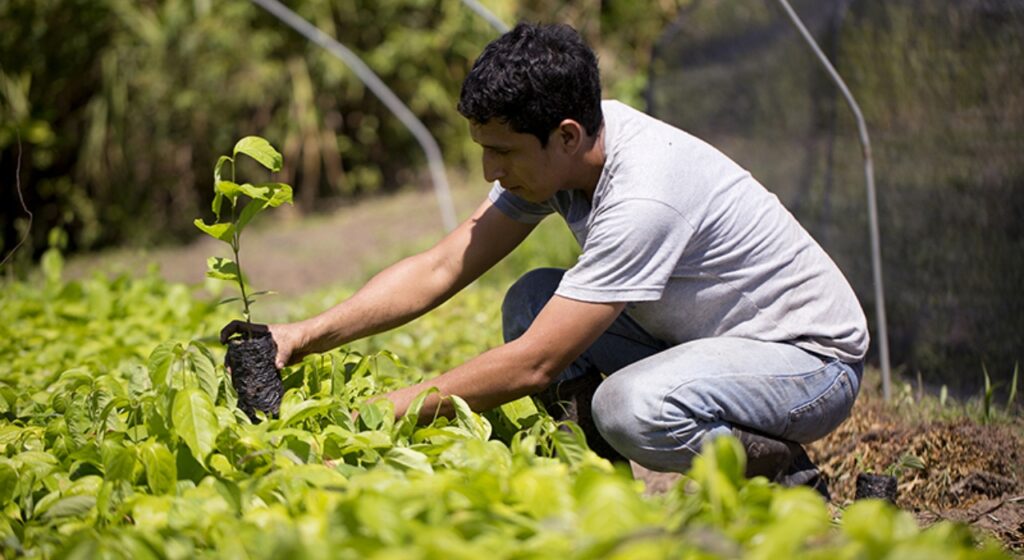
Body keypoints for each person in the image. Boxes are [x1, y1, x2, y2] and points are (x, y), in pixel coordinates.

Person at [222, 22, 868, 496]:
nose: (488, 170)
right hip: (706, 338)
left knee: (629, 408)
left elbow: (536, 365)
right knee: (530, 300)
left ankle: (785, 474)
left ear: (565, 135)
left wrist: (371, 416)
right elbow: (444, 265)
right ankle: (603, 495)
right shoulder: (573, 152)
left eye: (502, 152)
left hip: (807, 360)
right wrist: (301, 337)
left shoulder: (644, 194)